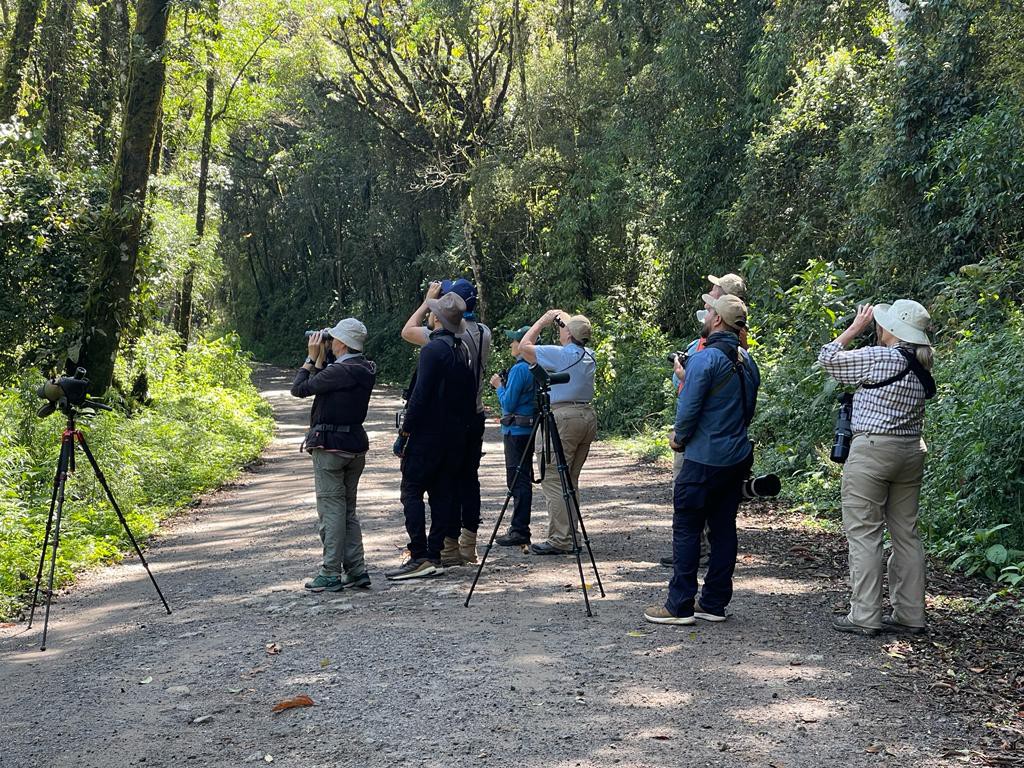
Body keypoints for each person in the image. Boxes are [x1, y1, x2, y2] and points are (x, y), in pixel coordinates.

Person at [818, 301, 935, 636]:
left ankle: (865, 615)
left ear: (893, 329)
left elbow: (828, 358)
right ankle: (911, 615)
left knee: (865, 533)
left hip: (872, 451)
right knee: (906, 535)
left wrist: (854, 328)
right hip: (910, 452)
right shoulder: (922, 364)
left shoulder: (880, 358)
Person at [645, 294, 760, 625]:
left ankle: (679, 605)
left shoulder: (705, 358)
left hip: (703, 458)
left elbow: (689, 409)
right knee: (723, 529)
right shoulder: (747, 361)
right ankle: (713, 602)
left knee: (687, 527)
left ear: (718, 320)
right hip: (736, 457)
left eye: (709, 312)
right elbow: (746, 408)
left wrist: (678, 439)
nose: (705, 317)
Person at [401, 278, 492, 566]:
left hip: (445, 421)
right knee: (468, 480)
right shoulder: (483, 333)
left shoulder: (440, 340)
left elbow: (407, 331)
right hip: (473, 414)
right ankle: (468, 544)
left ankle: (446, 547)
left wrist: (428, 301)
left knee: (443, 483)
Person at [388, 292, 478, 580]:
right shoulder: (462, 350)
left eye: (432, 311)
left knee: (411, 490)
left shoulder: (432, 351)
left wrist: (405, 432)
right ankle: (435, 552)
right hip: (454, 437)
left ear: (437, 319)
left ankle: (419, 554)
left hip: (427, 435)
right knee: (442, 494)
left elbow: (420, 396)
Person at [660, 272, 748, 568]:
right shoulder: (743, 353)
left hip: (704, 443)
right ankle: (713, 588)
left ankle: (686, 577)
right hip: (732, 445)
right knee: (724, 523)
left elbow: (694, 400)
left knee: (690, 512)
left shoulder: (713, 351)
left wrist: (680, 437)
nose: (709, 296)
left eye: (714, 293)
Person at [290, 318, 377, 592]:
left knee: (331, 511)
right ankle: (356, 569)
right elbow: (324, 383)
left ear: (342, 343)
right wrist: (321, 360)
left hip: (330, 448)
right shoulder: (363, 368)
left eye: (333, 338)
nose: (330, 342)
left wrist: (310, 358)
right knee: (347, 510)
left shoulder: (340, 371)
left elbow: (299, 389)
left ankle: (330, 572)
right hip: (354, 446)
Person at [518, 310, 597, 555]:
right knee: (570, 479)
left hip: (563, 418)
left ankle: (561, 538)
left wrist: (543, 321)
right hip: (586, 416)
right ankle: (572, 536)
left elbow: (523, 347)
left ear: (569, 334)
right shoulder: (590, 355)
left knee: (553, 477)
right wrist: (568, 322)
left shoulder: (561, 355)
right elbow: (575, 335)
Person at [491, 326, 537, 546]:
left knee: (517, 480)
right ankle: (519, 527)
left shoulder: (520, 369)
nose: (511, 344)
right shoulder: (537, 366)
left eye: (514, 341)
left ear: (522, 344)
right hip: (529, 429)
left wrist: (499, 387)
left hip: (515, 431)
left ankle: (519, 529)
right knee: (524, 477)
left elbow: (508, 404)